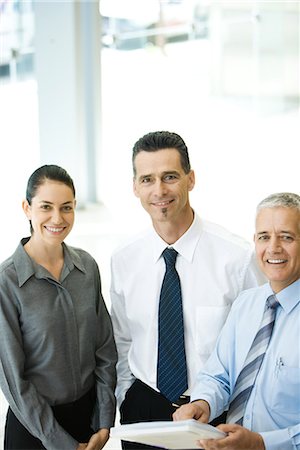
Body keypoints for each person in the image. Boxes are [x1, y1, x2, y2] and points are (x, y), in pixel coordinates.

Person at [110, 130, 264, 450]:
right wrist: (125, 398)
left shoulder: (237, 259)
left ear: (190, 179)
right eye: (148, 179)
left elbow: (259, 346)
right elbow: (124, 339)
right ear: (135, 186)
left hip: (216, 414)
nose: (159, 190)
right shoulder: (123, 259)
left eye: (170, 177)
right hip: (144, 409)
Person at [0, 165, 117, 450]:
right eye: (46, 207)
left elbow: (104, 349)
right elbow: (14, 380)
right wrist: (60, 442)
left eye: (66, 207)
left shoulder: (87, 268)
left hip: (87, 425)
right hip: (34, 430)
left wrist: (104, 420)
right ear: (27, 208)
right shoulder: (7, 282)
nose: (57, 218)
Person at [173, 192, 300, 450]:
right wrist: (203, 403)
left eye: (286, 237)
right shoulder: (246, 304)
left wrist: (262, 443)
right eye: (264, 237)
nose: (273, 248)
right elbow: (219, 375)